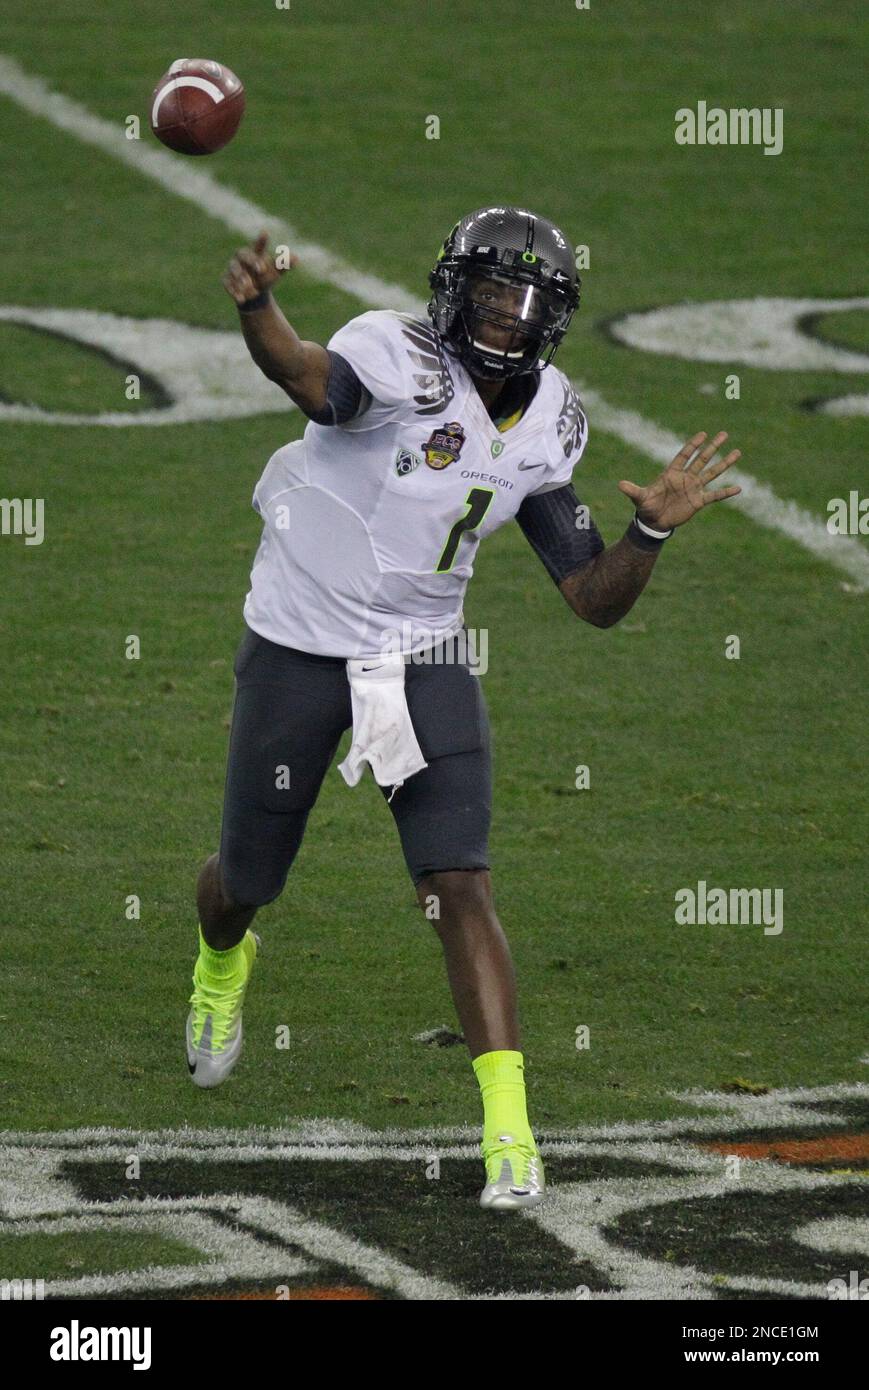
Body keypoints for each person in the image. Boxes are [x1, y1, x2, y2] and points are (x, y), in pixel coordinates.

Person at [186, 206, 741, 1211]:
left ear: (552, 316)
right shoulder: (392, 354)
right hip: (299, 646)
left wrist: (646, 534)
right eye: (490, 291)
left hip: (421, 655)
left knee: (459, 884)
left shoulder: (550, 417)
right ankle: (221, 962)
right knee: (246, 876)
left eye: (526, 300)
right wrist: (260, 307)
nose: (505, 315)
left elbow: (590, 598)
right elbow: (307, 379)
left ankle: (509, 1134)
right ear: (452, 289)